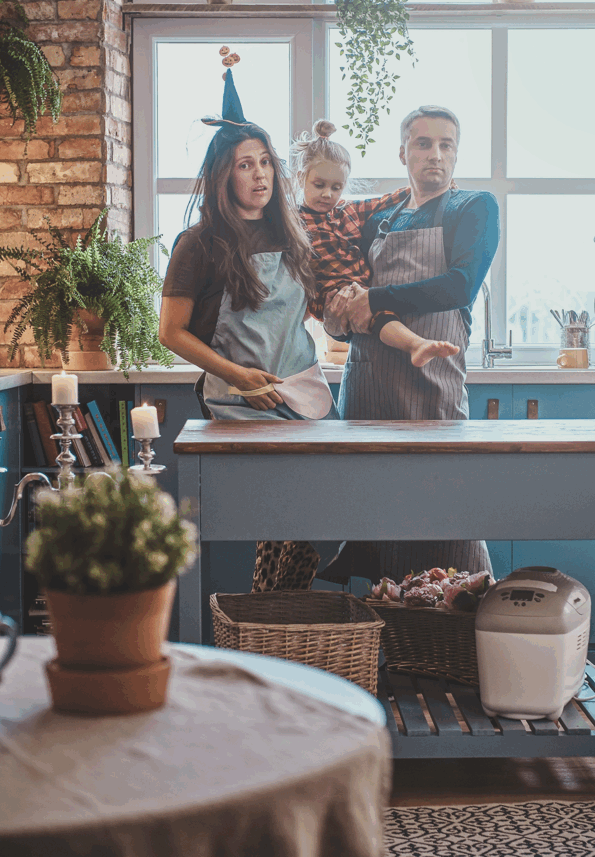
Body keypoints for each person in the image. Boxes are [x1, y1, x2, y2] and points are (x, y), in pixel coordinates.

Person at [158, 64, 335, 593]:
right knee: (278, 519)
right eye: (244, 165)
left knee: (313, 524)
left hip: (303, 393)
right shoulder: (199, 244)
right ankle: (270, 626)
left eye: (265, 163)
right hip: (239, 405)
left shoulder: (293, 234)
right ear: (222, 176)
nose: (259, 175)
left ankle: (273, 623)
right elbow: (170, 332)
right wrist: (236, 375)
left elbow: (299, 316)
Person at [323, 105, 500, 583]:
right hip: (367, 392)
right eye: (423, 144)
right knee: (376, 523)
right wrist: (339, 316)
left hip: (432, 390)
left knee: (449, 520)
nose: (434, 155)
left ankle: (457, 649)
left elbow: (459, 285)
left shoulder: (473, 208)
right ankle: (384, 648)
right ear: (403, 152)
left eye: (446, 145)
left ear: (457, 154)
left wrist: (374, 298)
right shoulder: (379, 216)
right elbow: (347, 287)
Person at [292, 119, 458, 369]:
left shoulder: (346, 211)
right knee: (378, 316)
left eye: (336, 187)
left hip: (361, 288)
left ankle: (414, 344)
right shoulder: (293, 221)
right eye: (319, 185)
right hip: (331, 294)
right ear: (302, 177)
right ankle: (415, 345)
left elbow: (383, 201)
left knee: (377, 309)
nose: (328, 194)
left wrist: (437, 189)